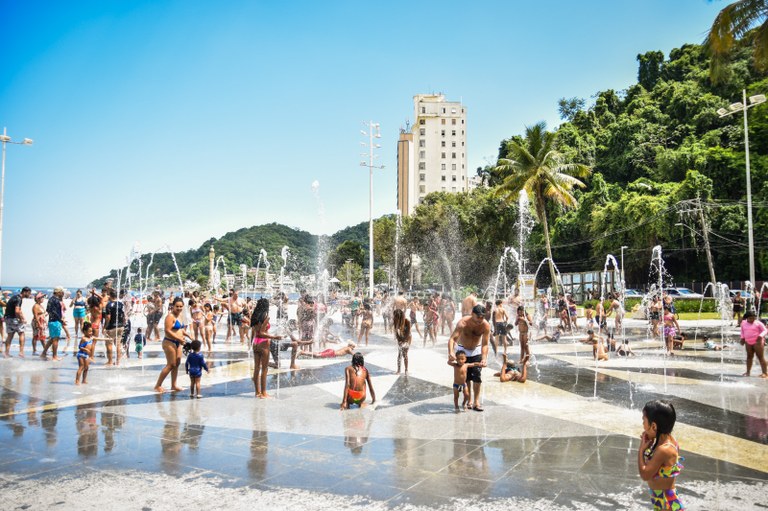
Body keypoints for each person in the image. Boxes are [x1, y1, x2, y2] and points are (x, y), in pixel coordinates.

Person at [637, 400, 685, 511]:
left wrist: (641, 450)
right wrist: (649, 447)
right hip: (662, 501)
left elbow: (645, 475)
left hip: (667, 503)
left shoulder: (664, 449)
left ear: (653, 426)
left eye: (644, 421)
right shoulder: (665, 441)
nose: (643, 425)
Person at [447, 303, 490, 412]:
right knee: (466, 377)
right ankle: (469, 400)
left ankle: (476, 401)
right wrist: (451, 352)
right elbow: (452, 339)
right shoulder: (463, 323)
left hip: (476, 351)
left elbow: (485, 344)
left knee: (477, 376)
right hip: (463, 352)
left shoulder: (485, 326)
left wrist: (484, 358)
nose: (480, 320)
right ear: (472, 314)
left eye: (482, 317)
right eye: (478, 317)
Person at [154, 297, 192, 393]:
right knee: (171, 364)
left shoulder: (180, 316)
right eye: (177, 306)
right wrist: (179, 338)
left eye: (180, 306)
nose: (179, 308)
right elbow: (167, 330)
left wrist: (188, 335)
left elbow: (180, 329)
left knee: (177, 363)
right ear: (173, 306)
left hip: (178, 343)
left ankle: (174, 385)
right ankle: (157, 385)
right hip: (169, 342)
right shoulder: (170, 317)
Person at [250, 297, 282, 398]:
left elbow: (254, 332)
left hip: (255, 344)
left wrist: (251, 343)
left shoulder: (254, 316)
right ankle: (264, 393)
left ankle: (257, 392)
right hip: (263, 344)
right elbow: (261, 333)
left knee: (256, 369)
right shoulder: (265, 316)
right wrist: (275, 337)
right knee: (264, 369)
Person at [4, 287, 31, 357]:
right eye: (29, 293)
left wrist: (23, 317)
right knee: (21, 333)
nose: (29, 295)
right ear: (25, 292)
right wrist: (21, 319)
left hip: (8, 318)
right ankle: (21, 352)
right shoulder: (19, 299)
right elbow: (17, 311)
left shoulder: (14, 297)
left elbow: (18, 310)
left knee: (10, 335)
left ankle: (6, 353)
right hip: (14, 318)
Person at [739, 309, 767, 378]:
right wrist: (742, 338)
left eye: (753, 318)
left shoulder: (758, 323)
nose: (752, 319)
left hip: (757, 342)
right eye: (750, 318)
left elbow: (765, 330)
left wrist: (760, 336)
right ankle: (748, 372)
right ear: (746, 318)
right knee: (749, 357)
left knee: (760, 357)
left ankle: (765, 373)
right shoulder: (743, 323)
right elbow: (742, 331)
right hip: (748, 342)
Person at [103, 289, 127, 366]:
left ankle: (110, 361)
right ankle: (118, 362)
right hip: (120, 326)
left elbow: (108, 317)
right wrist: (123, 324)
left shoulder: (109, 305)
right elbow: (124, 316)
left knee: (109, 344)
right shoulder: (121, 304)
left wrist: (104, 327)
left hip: (111, 327)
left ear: (110, 296)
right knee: (118, 344)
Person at [42, 286, 67, 360]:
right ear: (58, 292)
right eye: (62, 292)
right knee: (56, 339)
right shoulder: (56, 300)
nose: (63, 293)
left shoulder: (51, 299)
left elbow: (48, 310)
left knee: (52, 339)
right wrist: (61, 320)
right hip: (55, 322)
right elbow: (54, 312)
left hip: (51, 321)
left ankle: (43, 353)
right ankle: (54, 356)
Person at [393, 308, 411, 374]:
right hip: (400, 338)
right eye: (394, 317)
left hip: (407, 338)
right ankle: (398, 370)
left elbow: (408, 333)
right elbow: (396, 333)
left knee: (405, 353)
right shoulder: (395, 321)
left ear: (400, 316)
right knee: (399, 353)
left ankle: (406, 370)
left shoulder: (407, 321)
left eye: (396, 317)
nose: (395, 318)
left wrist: (403, 341)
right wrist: (399, 341)